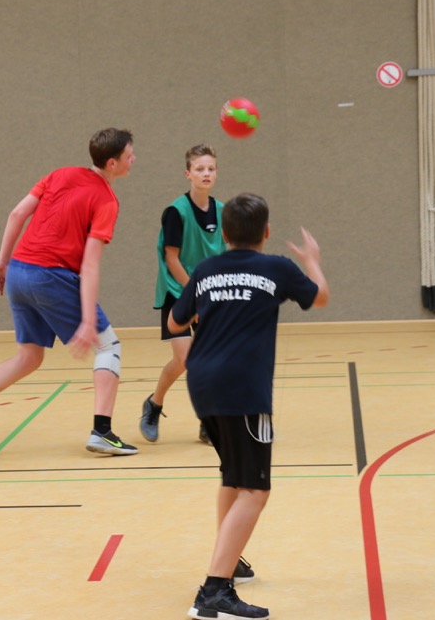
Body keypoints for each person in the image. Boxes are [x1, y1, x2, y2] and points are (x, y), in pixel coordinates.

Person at [168, 193, 329, 620]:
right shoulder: (277, 267)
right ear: (267, 232)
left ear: (224, 233)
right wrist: (312, 260)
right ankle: (213, 593)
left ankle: (229, 558)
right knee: (256, 489)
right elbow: (320, 297)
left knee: (233, 476)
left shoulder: (205, 269)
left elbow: (174, 322)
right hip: (243, 388)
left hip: (202, 384)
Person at [0, 128, 139, 457]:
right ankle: (102, 432)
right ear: (112, 163)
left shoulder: (59, 174)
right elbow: (90, 264)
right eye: (129, 155)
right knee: (109, 346)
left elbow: (17, 213)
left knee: (29, 357)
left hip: (19, 273)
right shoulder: (106, 200)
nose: (134, 159)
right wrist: (87, 320)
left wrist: (3, 262)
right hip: (50, 277)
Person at [141, 144, 224, 445]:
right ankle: (154, 404)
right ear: (188, 174)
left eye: (210, 169)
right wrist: (196, 294)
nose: (206, 173)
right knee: (186, 359)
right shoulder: (176, 212)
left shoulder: (222, 211)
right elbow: (172, 258)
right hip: (178, 292)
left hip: (208, 295)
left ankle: (207, 422)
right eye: (199, 169)